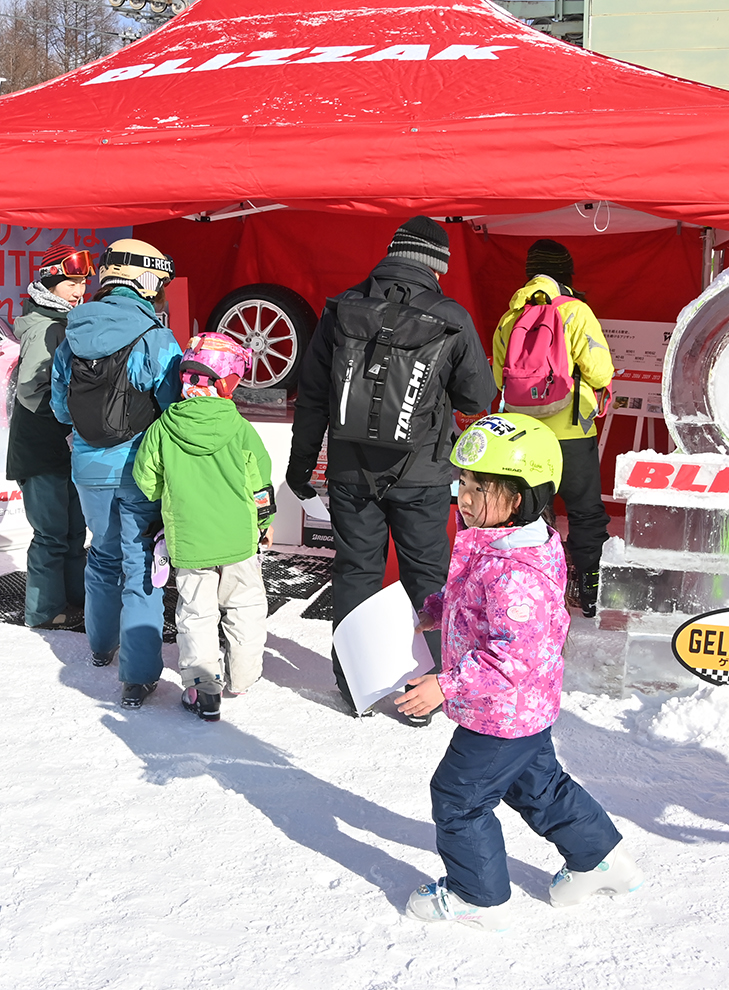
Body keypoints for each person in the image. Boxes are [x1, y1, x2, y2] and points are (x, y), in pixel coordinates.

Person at [394, 413, 642, 930]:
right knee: (539, 787)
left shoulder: (517, 571)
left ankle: (476, 896)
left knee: (458, 800)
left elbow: (512, 659)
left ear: (521, 496)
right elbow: (479, 603)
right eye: (462, 483)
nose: (462, 496)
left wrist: (444, 685)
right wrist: (440, 609)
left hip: (500, 714)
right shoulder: (505, 543)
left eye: (478, 487)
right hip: (524, 710)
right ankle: (601, 860)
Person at [286, 216, 496, 721]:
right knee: (428, 577)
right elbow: (478, 395)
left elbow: (313, 397)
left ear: (391, 252)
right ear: (437, 266)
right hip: (421, 472)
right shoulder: (450, 316)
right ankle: (429, 692)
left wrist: (300, 466)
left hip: (350, 471)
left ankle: (353, 685)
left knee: (356, 572)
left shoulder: (342, 308)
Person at [51, 238, 183, 709]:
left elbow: (61, 409)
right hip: (141, 468)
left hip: (88, 468)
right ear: (147, 281)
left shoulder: (73, 332)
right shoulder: (155, 337)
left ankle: (100, 647)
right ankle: (139, 675)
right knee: (141, 566)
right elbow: (173, 407)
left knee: (102, 555)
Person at [134, 332, 274, 723]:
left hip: (191, 542)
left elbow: (147, 481)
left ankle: (202, 688)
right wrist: (265, 522)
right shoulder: (241, 428)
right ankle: (243, 676)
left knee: (196, 613)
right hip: (238, 542)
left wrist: (172, 497)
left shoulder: (163, 429)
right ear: (228, 382)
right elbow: (260, 483)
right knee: (245, 605)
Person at [491, 239, 614, 618]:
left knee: (530, 513)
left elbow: (500, 378)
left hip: (525, 436)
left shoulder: (510, 317)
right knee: (585, 512)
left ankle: (535, 593)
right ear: (566, 273)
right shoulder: (577, 312)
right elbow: (600, 371)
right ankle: (588, 591)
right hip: (572, 432)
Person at [6, 244, 95, 629]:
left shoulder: (63, 320)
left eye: (82, 284)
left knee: (75, 530)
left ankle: (76, 595)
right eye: (71, 283)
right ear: (50, 282)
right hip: (43, 446)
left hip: (66, 445)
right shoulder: (46, 326)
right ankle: (42, 611)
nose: (79, 291)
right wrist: (72, 412)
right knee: (52, 534)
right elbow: (31, 390)